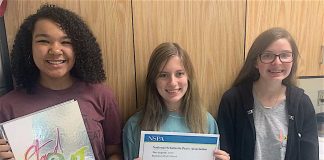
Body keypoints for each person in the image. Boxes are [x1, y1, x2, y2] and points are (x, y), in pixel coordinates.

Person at [0, 4, 122, 160]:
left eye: (66, 42)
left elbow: (114, 152)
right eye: (43, 41)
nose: (56, 50)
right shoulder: (6, 106)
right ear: (28, 47)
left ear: (79, 47)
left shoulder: (101, 95)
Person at [217, 27, 319, 160]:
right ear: (255, 61)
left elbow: (310, 155)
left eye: (285, 55)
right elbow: (225, 151)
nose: (277, 62)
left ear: (292, 60)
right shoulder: (233, 100)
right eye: (268, 55)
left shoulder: (302, 104)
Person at [123, 42, 230, 160]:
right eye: (163, 75)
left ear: (189, 77)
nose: (172, 82)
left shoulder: (206, 122)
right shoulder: (134, 125)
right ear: (153, 80)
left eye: (179, 74)